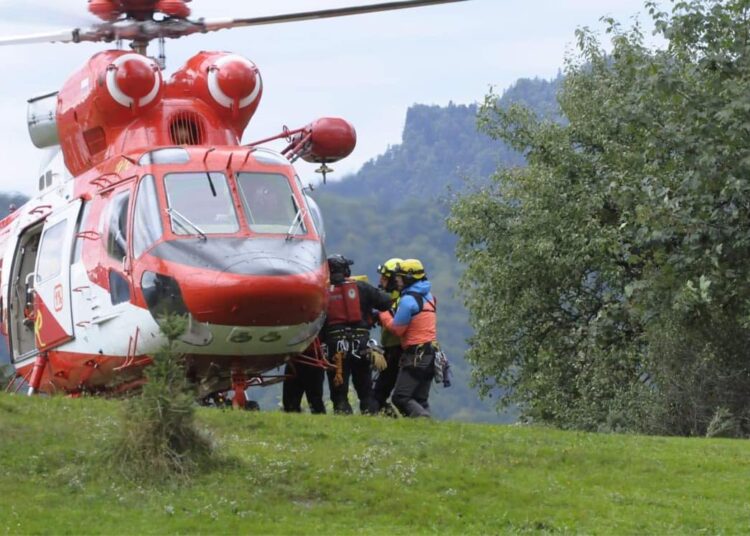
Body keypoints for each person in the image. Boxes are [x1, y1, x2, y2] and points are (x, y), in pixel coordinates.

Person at [321, 254, 392, 414]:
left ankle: (344, 420)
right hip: (361, 345)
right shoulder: (361, 287)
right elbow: (386, 302)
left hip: (335, 348)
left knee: (339, 393)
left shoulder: (322, 291)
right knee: (366, 390)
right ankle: (370, 416)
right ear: (346, 270)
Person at [378, 258, 438, 418]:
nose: (397, 280)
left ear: (409, 278)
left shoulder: (407, 300)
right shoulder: (430, 297)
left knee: (400, 397)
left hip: (415, 355)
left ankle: (423, 420)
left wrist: (382, 314)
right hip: (431, 353)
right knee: (420, 399)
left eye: (400, 277)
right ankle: (428, 430)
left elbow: (397, 329)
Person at [368, 257, 404, 415]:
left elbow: (396, 325)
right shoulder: (392, 299)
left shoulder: (403, 301)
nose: (381, 282)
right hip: (391, 350)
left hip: (398, 352)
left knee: (381, 394)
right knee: (381, 393)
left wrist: (380, 315)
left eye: (385, 278)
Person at [282, 341, 327, 414]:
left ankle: (321, 421)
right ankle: (292, 422)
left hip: (313, 362)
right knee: (290, 403)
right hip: (294, 362)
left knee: (315, 401)